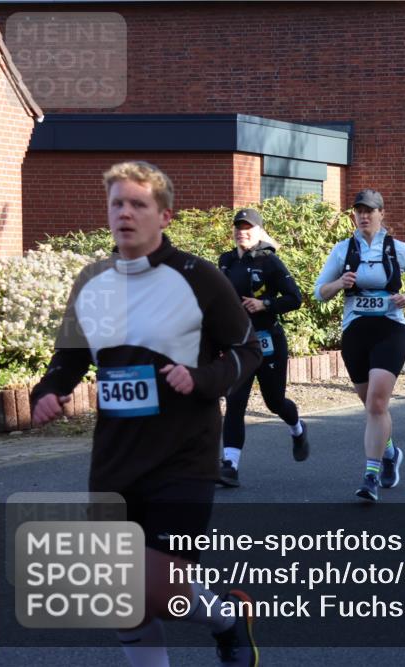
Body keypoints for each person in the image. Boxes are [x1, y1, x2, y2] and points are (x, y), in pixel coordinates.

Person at [30, 161, 262, 666]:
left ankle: (223, 616)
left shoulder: (200, 278)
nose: (125, 214)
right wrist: (48, 391)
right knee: (122, 598)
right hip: (115, 458)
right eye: (117, 203)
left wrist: (201, 379)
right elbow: (70, 356)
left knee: (159, 591)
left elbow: (248, 349)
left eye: (138, 204)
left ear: (165, 215)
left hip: (183, 457)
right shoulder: (92, 281)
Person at [315, 189, 405, 502]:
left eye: (371, 210)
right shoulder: (342, 250)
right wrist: (341, 283)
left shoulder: (398, 249)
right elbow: (319, 292)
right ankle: (390, 453)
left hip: (389, 331)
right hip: (355, 333)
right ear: (354, 215)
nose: (364, 216)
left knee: (377, 403)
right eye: (359, 210)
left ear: (382, 214)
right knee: (371, 406)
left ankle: (371, 476)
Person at [218, 208, 308, 488]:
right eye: (238, 227)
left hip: (268, 340)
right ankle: (230, 465)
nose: (241, 231)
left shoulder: (270, 262)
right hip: (239, 344)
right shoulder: (226, 261)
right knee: (235, 402)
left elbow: (295, 298)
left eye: (248, 227)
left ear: (259, 232)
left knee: (274, 402)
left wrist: (264, 304)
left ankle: (297, 428)